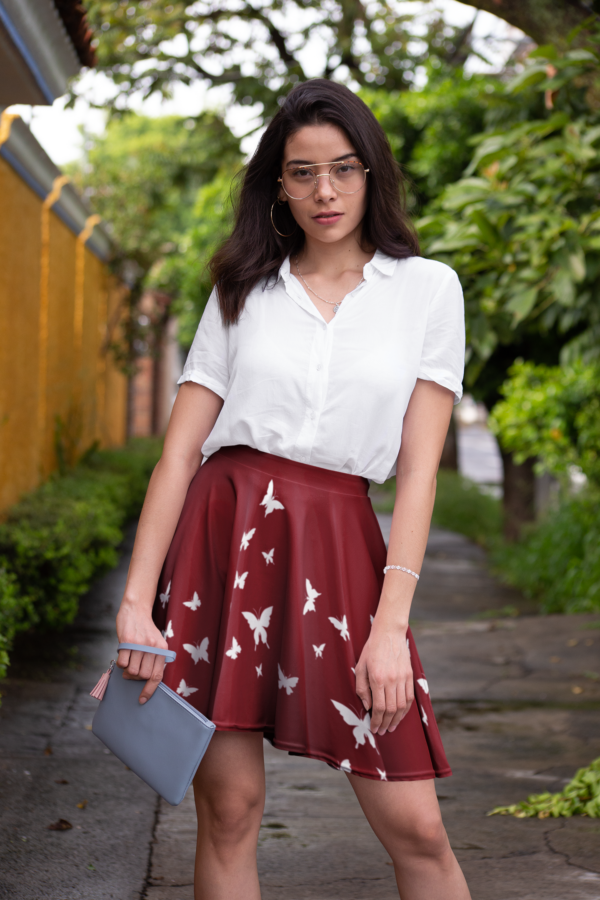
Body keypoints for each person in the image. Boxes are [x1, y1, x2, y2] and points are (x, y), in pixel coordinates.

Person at [115, 78, 471, 900]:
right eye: (303, 172)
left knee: (417, 828)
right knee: (231, 812)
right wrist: (138, 604)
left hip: (344, 548)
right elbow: (178, 456)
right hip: (220, 540)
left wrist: (392, 628)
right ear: (277, 182)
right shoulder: (243, 287)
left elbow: (418, 472)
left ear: (372, 172)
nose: (326, 191)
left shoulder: (427, 291)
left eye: (344, 169)